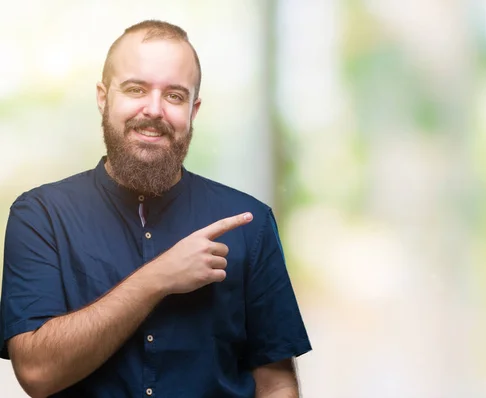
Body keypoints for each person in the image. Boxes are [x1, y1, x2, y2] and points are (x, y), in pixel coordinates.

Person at [0, 20, 311, 398]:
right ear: (103, 97)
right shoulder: (41, 216)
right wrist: (159, 277)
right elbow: (35, 372)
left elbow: (276, 383)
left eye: (175, 96)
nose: (154, 109)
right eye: (136, 89)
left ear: (194, 110)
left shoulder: (251, 223)